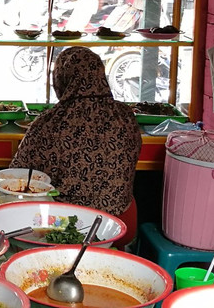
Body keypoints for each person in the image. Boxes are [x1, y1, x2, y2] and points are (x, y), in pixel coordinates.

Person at [10, 47, 141, 248]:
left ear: (62, 79)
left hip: (67, 225)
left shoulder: (51, 121)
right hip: (120, 222)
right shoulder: (125, 116)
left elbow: (17, 175)